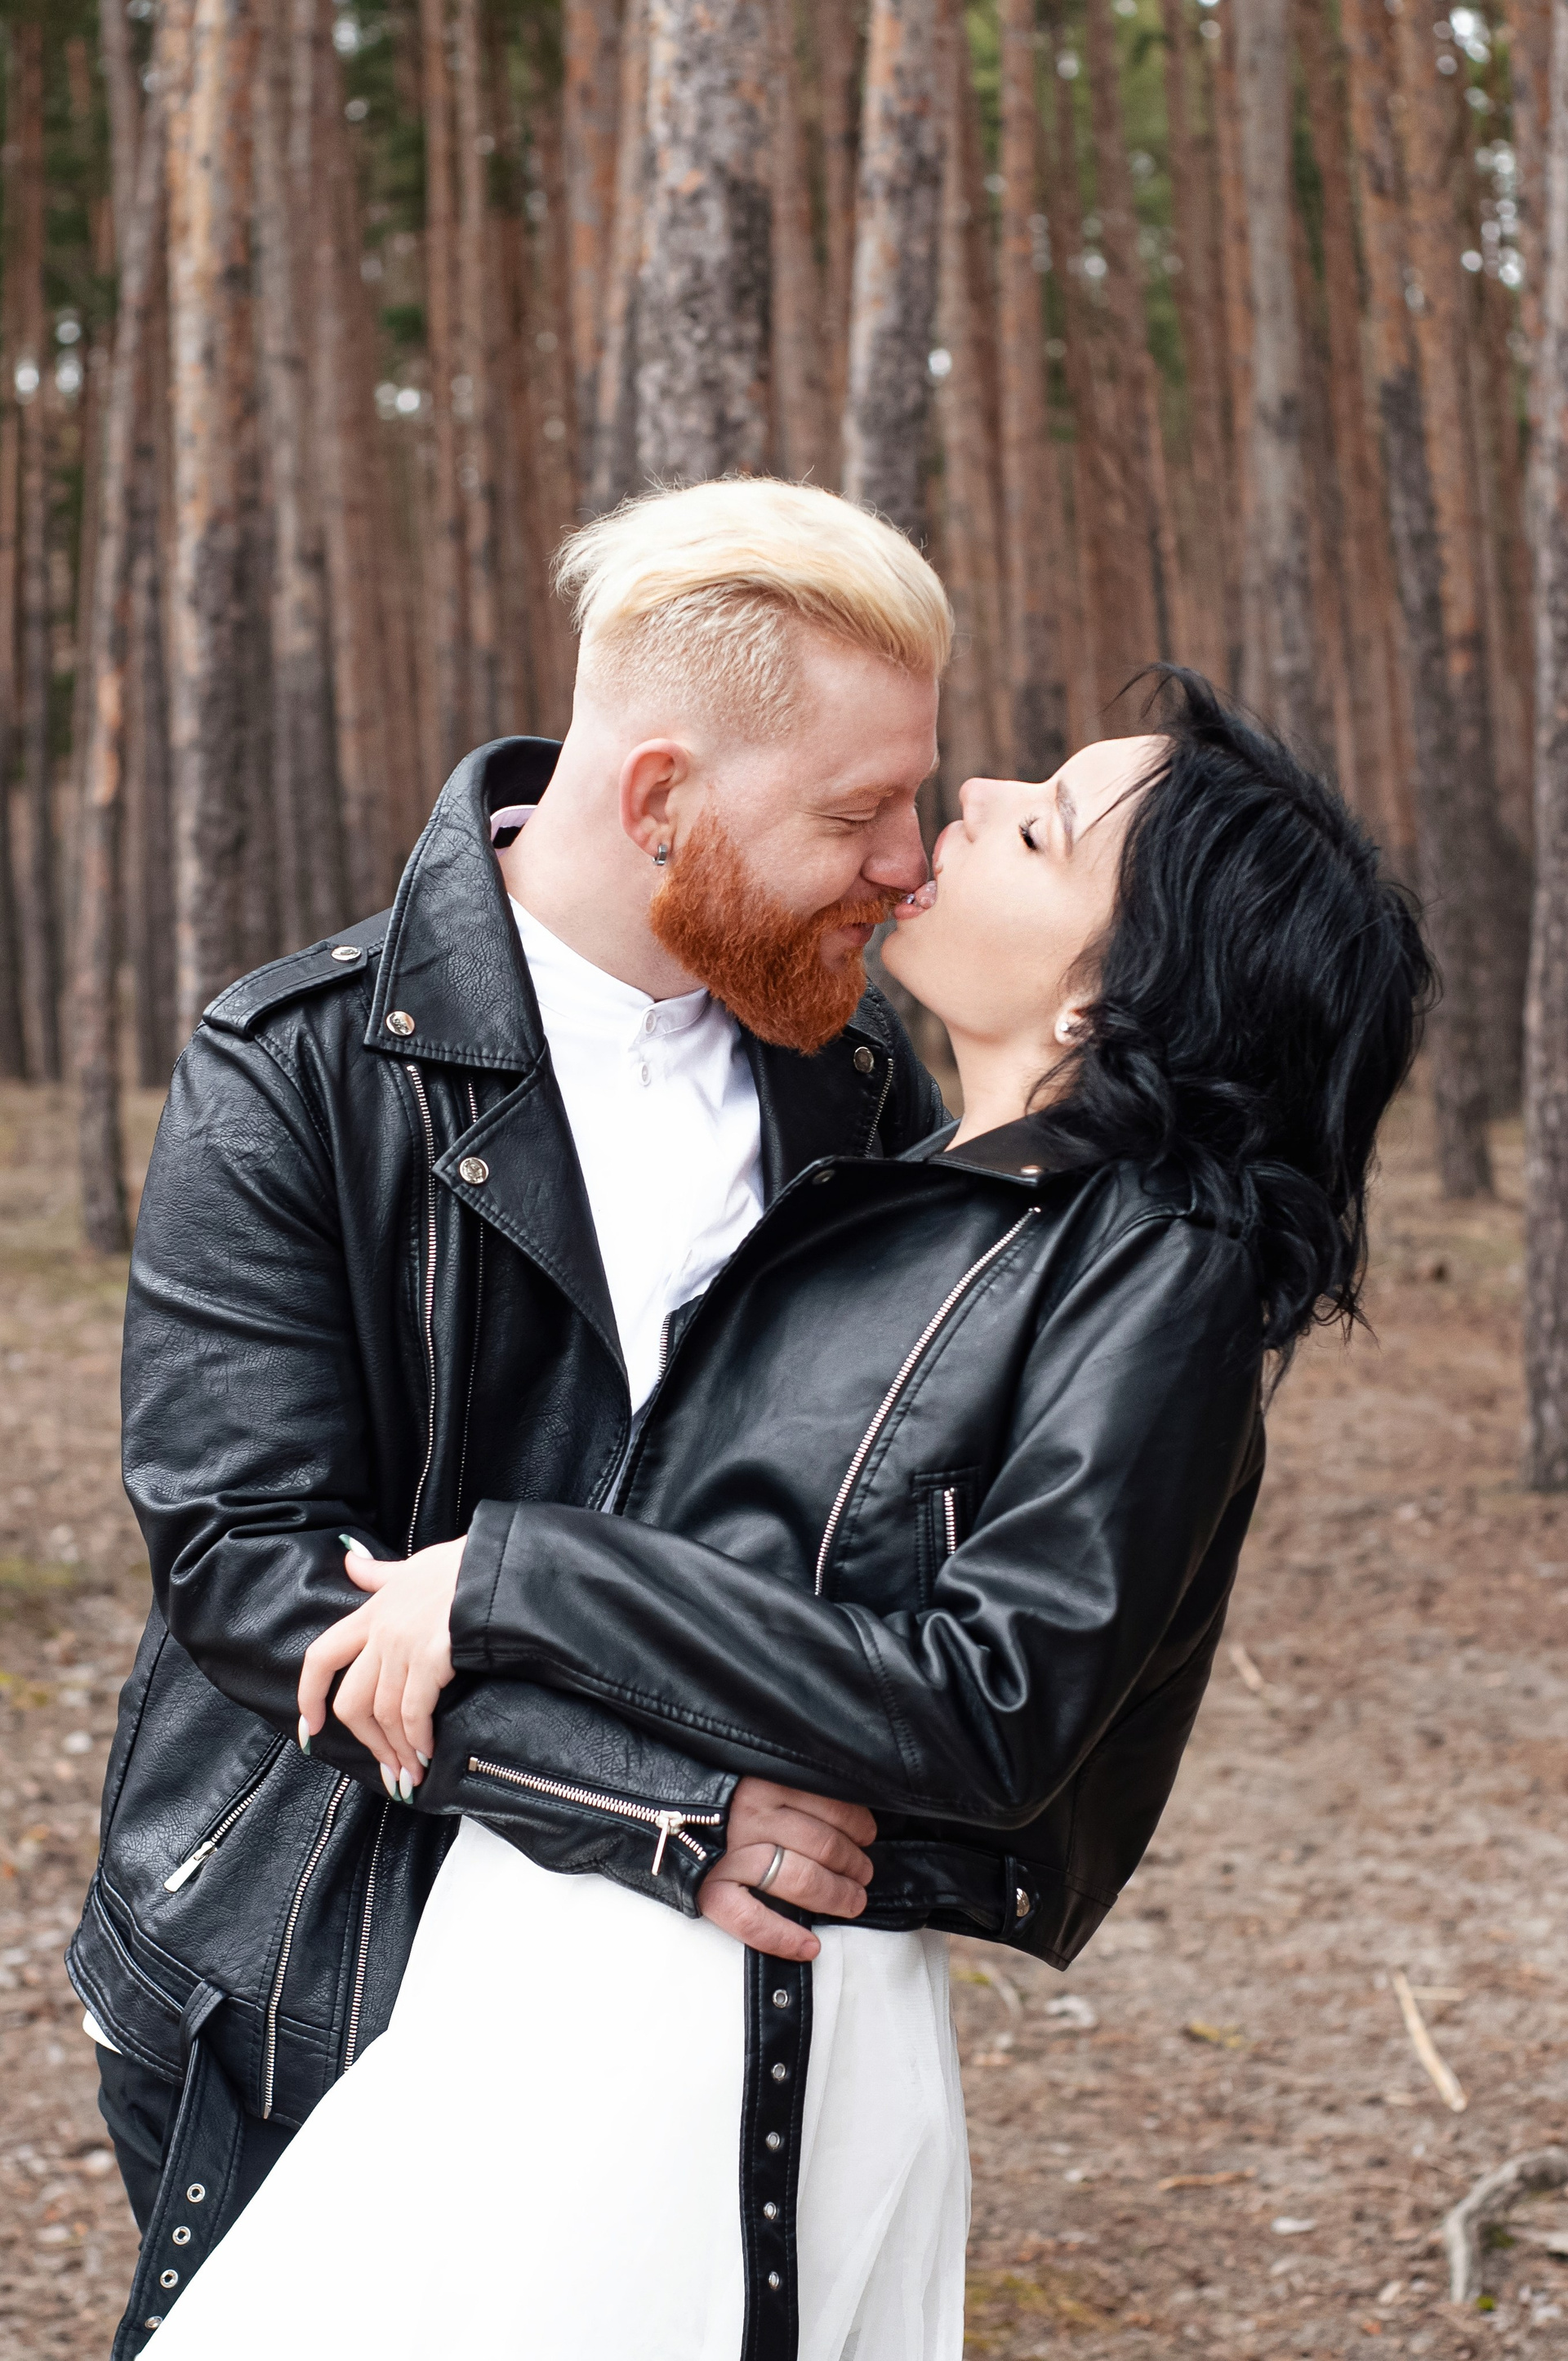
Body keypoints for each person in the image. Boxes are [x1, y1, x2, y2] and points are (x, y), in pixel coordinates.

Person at [136, 671, 1433, 2360]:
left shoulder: (1156, 1266)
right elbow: (248, 1554)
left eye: (1040, 829)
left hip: (724, 2020)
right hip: (543, 1953)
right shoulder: (903, 1176)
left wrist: (518, 1575)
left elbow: (994, 1706)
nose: (974, 799)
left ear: (1107, 995)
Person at [68, 478, 958, 2361]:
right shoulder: (293, 1068)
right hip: (326, 1957)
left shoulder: (857, 1080)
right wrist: (661, 1809)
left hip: (699, 2002)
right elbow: (250, 1571)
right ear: (660, 800)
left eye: (918, 803)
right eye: (855, 814)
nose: (911, 866)